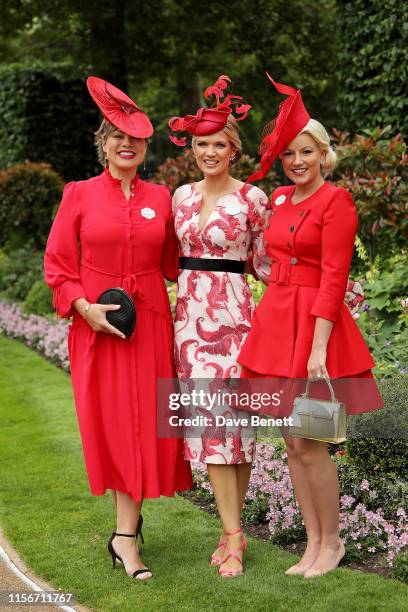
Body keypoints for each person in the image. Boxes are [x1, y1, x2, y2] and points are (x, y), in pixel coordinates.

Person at [44, 76, 192, 581]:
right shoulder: (80, 194)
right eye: (115, 137)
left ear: (146, 145)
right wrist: (83, 308)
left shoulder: (163, 197)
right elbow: (58, 265)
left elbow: (178, 261)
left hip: (151, 326)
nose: (125, 145)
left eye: (134, 138)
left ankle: (125, 533)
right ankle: (126, 536)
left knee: (145, 424)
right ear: (103, 144)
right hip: (98, 329)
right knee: (113, 427)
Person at [238, 75, 383, 579]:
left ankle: (334, 542)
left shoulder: (336, 202)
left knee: (313, 440)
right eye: (289, 155)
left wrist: (318, 349)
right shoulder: (279, 200)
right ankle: (313, 543)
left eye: (307, 152)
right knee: (292, 444)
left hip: (317, 331)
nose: (297, 161)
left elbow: (333, 278)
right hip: (278, 323)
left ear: (324, 154)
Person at [168, 75, 272, 578]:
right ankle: (234, 533)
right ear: (193, 148)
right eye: (202, 143)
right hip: (189, 320)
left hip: (235, 317)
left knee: (236, 427)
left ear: (234, 149)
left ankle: (232, 532)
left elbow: (269, 262)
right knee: (210, 425)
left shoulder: (254, 200)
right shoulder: (180, 197)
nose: (210, 151)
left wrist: (329, 292)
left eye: (219, 144)